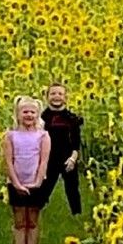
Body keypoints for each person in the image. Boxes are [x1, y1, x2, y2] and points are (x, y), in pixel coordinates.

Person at [1, 96, 51, 244]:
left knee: (33, 220)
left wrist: (37, 182)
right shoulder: (10, 136)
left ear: (38, 115)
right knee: (20, 221)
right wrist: (15, 183)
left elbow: (44, 161)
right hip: (16, 183)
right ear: (18, 114)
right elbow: (8, 161)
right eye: (25, 112)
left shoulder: (43, 136)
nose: (29, 115)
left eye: (32, 112)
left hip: (36, 183)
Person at [39, 82, 85, 216]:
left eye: (60, 94)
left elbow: (76, 143)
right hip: (48, 159)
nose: (56, 96)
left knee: (72, 190)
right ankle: (35, 216)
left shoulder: (72, 119)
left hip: (67, 159)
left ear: (65, 97)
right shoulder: (41, 119)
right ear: (47, 97)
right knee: (43, 189)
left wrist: (73, 159)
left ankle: (77, 217)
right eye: (53, 93)